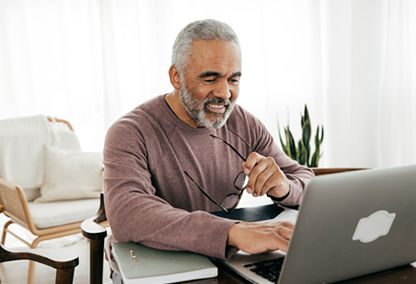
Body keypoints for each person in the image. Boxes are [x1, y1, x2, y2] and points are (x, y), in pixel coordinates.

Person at [104, 19, 314, 264]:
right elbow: (128, 214)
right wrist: (232, 232)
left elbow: (305, 178)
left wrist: (285, 186)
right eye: (210, 79)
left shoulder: (244, 123)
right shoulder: (130, 131)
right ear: (176, 77)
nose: (225, 94)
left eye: (233, 80)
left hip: (222, 258)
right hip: (151, 260)